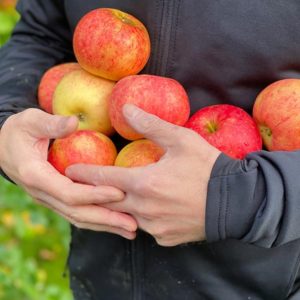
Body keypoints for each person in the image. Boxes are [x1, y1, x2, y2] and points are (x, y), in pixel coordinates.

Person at [1, 1, 300, 299]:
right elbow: (42, 34)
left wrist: (235, 199)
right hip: (102, 273)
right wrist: (7, 118)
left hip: (262, 281)